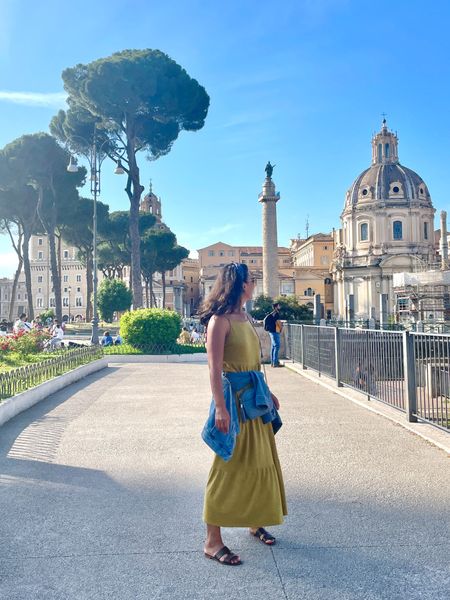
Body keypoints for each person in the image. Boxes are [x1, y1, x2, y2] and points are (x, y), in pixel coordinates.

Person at [199, 262, 287, 566]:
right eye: (251, 281)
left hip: (255, 400)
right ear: (239, 284)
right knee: (227, 466)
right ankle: (212, 541)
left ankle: (254, 519)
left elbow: (254, 363)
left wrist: (268, 391)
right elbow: (214, 369)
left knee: (260, 461)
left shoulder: (246, 317)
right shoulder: (219, 322)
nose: (254, 285)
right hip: (233, 404)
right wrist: (221, 408)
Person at [264, 303, 283, 367]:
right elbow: (277, 322)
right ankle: (275, 363)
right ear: (275, 307)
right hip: (275, 331)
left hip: (271, 331)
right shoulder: (276, 313)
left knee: (273, 347)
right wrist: (280, 328)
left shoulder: (272, 313)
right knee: (277, 346)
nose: (279, 306)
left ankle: (273, 363)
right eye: (278, 306)